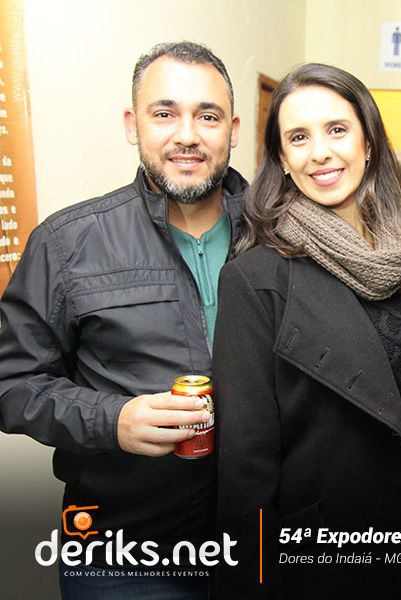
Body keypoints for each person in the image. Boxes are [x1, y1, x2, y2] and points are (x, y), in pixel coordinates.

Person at [213, 63, 401, 600]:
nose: (320, 152)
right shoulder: (257, 279)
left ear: (368, 142)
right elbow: (245, 473)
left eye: (336, 129)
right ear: (282, 160)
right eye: (298, 138)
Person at [0, 41, 246, 599]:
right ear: (133, 125)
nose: (187, 135)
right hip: (123, 553)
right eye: (165, 113)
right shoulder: (68, 244)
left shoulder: (278, 235)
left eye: (207, 116)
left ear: (232, 130)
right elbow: (13, 385)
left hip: (255, 543)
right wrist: (113, 420)